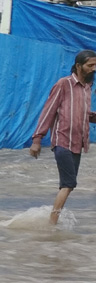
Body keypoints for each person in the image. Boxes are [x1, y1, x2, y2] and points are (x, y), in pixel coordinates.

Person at [30, 49, 96, 224]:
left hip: (78, 143)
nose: (94, 68)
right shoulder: (63, 84)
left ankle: (53, 219)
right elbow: (49, 111)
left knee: (69, 185)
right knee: (68, 184)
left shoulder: (88, 88)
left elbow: (81, 112)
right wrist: (37, 139)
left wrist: (92, 116)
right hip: (62, 141)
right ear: (78, 66)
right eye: (90, 65)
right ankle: (52, 223)